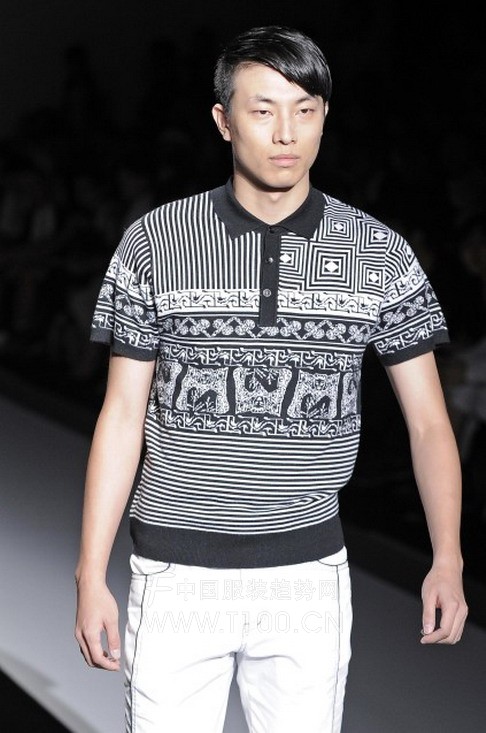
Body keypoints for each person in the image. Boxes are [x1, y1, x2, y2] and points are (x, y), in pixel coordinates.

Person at [74, 25, 468, 733]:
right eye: (263, 110)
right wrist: (90, 568)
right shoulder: (154, 242)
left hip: (306, 576)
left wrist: (448, 558)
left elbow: (430, 421)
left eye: (305, 110)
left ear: (324, 116)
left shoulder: (379, 254)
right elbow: (122, 414)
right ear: (223, 120)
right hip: (176, 571)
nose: (287, 133)